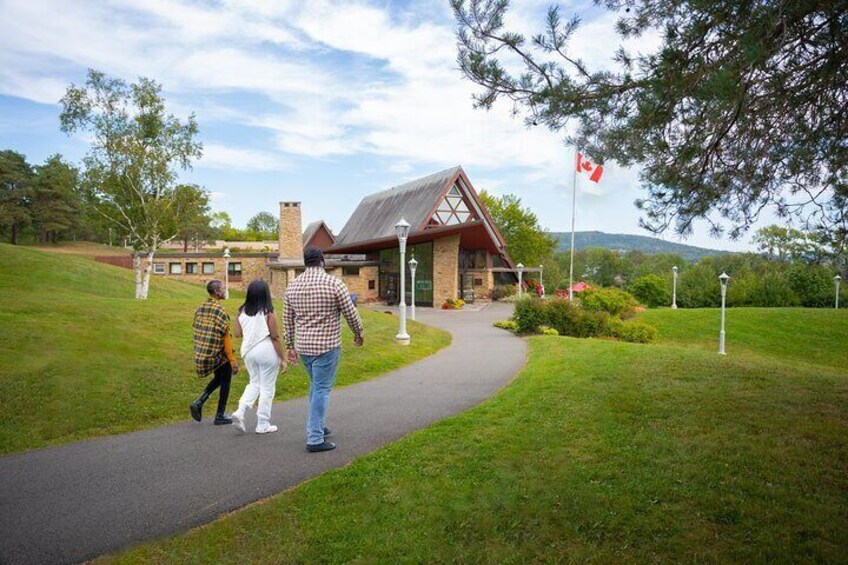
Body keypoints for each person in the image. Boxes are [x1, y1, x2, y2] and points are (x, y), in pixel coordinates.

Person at [284, 247, 364, 452]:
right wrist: (358, 333)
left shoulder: (292, 286)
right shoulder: (334, 283)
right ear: (322, 261)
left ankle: (317, 424)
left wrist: (290, 346)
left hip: (304, 347)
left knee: (315, 385)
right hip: (327, 346)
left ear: (305, 262)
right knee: (321, 388)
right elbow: (350, 313)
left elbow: (288, 320)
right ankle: (315, 438)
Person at [231, 280, 287, 434]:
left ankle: (240, 411)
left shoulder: (241, 311)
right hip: (266, 350)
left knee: (254, 383)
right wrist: (283, 358)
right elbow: (275, 337)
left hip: (248, 351)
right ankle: (262, 423)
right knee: (267, 388)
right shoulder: (268, 311)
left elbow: (237, 333)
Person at [190, 279, 239, 425]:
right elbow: (226, 338)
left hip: (204, 352)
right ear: (217, 292)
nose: (225, 290)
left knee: (219, 378)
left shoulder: (201, 308)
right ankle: (220, 415)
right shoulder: (220, 310)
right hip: (218, 354)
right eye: (223, 288)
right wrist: (232, 359)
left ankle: (199, 402)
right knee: (226, 379)